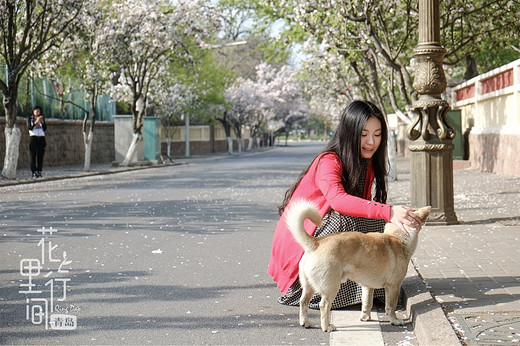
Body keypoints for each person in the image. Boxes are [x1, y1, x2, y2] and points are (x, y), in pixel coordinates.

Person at [267, 100, 423, 309]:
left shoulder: (364, 162)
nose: (371, 141)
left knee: (378, 226)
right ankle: (351, 290)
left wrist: (398, 216)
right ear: (350, 133)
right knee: (352, 221)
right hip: (305, 256)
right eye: (363, 134)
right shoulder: (329, 161)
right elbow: (339, 201)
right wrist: (389, 211)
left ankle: (374, 281)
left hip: (325, 241)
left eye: (377, 135)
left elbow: (366, 208)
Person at [27, 106, 47, 178]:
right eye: (36, 111)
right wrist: (36, 122)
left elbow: (45, 128)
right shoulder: (31, 118)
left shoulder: (42, 119)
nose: (38, 113)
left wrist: (41, 122)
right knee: (33, 155)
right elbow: (30, 127)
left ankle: (39, 170)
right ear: (33, 111)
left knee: (40, 155)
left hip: (41, 137)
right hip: (33, 137)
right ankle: (33, 171)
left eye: (39, 111)